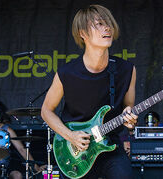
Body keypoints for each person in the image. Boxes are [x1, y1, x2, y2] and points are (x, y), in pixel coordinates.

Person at [41, 4, 137, 179]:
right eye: (99, 24)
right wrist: (70, 136)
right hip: (76, 149)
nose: (107, 27)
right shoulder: (66, 73)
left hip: (110, 147)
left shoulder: (126, 69)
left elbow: (128, 109)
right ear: (82, 33)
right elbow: (46, 110)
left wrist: (129, 121)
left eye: (108, 23)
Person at [0, 100, 45, 179]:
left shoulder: (7, 130)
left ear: (1, 114)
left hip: (3, 168)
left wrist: (36, 167)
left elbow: (21, 149)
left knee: (17, 175)